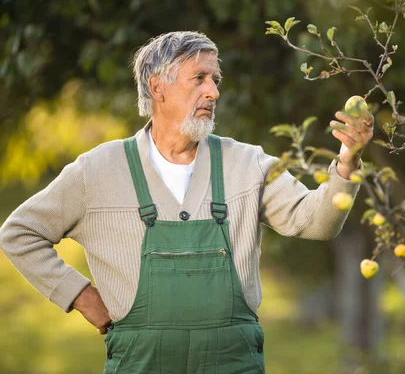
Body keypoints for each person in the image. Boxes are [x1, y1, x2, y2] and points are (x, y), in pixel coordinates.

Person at [0, 31, 373, 373]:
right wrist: (79, 295)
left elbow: (319, 223)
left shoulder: (248, 164)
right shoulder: (98, 171)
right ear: (157, 87)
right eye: (199, 79)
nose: (213, 92)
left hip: (234, 364)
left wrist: (348, 161)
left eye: (215, 80)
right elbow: (19, 233)